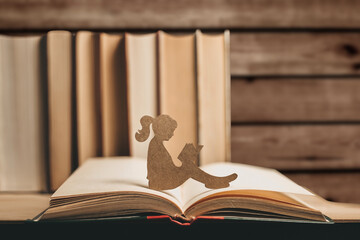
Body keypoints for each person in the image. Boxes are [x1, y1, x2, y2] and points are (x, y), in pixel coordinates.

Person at [135, 115, 237, 190]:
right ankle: (213, 181)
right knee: (189, 168)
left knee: (188, 167)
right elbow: (162, 170)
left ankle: (213, 181)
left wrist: (185, 160)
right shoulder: (155, 145)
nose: (172, 134)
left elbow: (167, 168)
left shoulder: (157, 144)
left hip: (161, 180)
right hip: (160, 183)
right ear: (162, 130)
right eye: (170, 131)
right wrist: (185, 163)